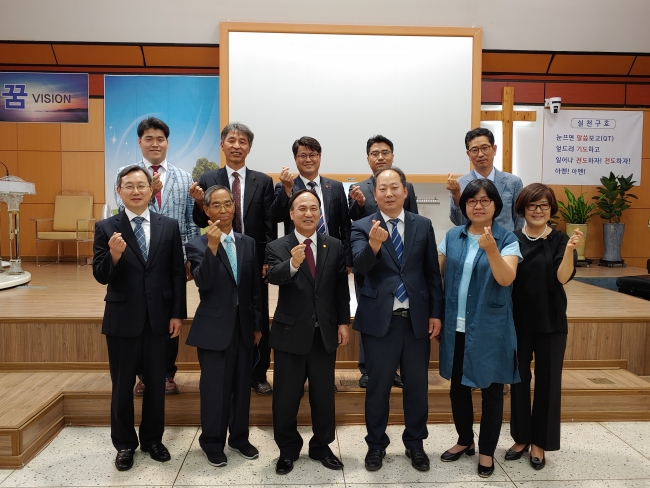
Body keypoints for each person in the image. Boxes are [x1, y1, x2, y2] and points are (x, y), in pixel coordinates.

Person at [93, 165, 186, 472]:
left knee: (156, 385)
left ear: (151, 189)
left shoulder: (168, 226)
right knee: (122, 387)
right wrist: (114, 255)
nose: (136, 191)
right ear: (119, 191)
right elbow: (100, 275)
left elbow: (176, 273)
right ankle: (124, 444)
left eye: (141, 185)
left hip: (159, 319)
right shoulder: (106, 227)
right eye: (129, 186)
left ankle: (152, 440)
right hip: (122, 319)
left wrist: (177, 314)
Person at [350, 167, 443, 473]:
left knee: (417, 387)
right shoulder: (361, 225)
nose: (389, 193)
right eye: (382, 188)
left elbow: (432, 273)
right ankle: (376, 445)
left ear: (405, 191)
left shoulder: (422, 224)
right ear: (374, 194)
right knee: (378, 388)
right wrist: (374, 245)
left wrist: (435, 313)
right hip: (380, 321)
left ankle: (415, 444)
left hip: (416, 320)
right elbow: (359, 266)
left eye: (394, 188)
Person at [438, 178, 521, 478]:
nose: (478, 206)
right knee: (458, 389)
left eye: (485, 200)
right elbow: (436, 274)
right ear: (464, 206)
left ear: (496, 205)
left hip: (489, 327)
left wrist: (492, 250)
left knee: (492, 391)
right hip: (456, 326)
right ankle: (465, 440)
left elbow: (506, 278)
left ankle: (486, 451)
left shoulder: (507, 238)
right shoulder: (452, 236)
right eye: (472, 201)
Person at [266, 189, 350, 475]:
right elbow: (273, 276)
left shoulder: (333, 245)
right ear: (291, 214)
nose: (308, 213)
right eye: (301, 208)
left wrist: (343, 322)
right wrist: (292, 264)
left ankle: (321, 446)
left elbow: (340, 288)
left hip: (323, 334)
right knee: (286, 398)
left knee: (323, 396)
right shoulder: (278, 245)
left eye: (314, 208)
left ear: (320, 213)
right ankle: (288, 450)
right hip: (290, 334)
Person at [114, 116, 199, 397]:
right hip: (136, 260)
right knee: (141, 316)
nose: (155, 144)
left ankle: (166, 374)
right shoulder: (126, 174)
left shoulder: (183, 176)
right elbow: (120, 215)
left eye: (160, 139)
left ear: (167, 143)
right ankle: (142, 376)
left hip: (172, 259)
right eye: (148, 139)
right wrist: (150, 193)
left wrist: (190, 257)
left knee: (169, 316)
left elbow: (189, 222)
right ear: (139, 142)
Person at [189, 122, 275, 396]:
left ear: (249, 147)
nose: (237, 146)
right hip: (218, 255)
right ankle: (224, 367)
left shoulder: (263, 181)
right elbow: (200, 219)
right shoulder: (208, 178)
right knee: (222, 309)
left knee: (257, 313)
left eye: (243, 141)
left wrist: (268, 259)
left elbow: (269, 224)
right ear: (223, 145)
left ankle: (258, 374)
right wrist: (198, 202)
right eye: (232, 141)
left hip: (252, 258)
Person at [185, 185, 264, 468]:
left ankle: (239, 439)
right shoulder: (196, 245)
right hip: (213, 330)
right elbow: (203, 282)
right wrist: (212, 246)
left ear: (234, 207)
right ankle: (212, 442)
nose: (223, 210)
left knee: (242, 388)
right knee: (215, 390)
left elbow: (254, 288)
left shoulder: (248, 242)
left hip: (244, 328)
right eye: (216, 205)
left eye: (227, 204)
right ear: (206, 210)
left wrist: (257, 325)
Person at [506, 183, 583, 471]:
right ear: (522, 209)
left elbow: (562, 278)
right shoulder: (512, 239)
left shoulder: (561, 239)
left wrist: (571, 251)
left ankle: (540, 442)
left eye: (544, 205)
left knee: (548, 382)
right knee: (518, 380)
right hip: (517, 321)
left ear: (551, 209)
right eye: (532, 205)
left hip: (551, 320)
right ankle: (521, 437)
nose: (538, 210)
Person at [348, 135, 418, 388]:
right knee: (370, 312)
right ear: (368, 158)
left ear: (392, 156)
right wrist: (358, 205)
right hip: (369, 261)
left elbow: (413, 221)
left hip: (399, 265)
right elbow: (351, 221)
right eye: (375, 153)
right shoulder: (358, 188)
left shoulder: (405, 185)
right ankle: (368, 368)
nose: (380, 157)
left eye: (385, 152)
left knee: (399, 318)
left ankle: (394, 368)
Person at [271, 136, 352, 271]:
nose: (308, 160)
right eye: (303, 155)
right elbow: (276, 216)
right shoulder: (285, 186)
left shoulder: (336, 187)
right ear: (295, 158)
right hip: (298, 254)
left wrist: (348, 260)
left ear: (319, 157)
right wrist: (287, 189)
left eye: (312, 155)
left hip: (332, 254)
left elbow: (345, 226)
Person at [446, 127, 524, 231]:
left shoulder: (513, 182)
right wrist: (456, 195)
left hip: (505, 240)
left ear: (494, 149)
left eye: (485, 148)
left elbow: (519, 219)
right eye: (474, 150)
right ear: (468, 154)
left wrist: (511, 239)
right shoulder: (459, 184)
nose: (480, 154)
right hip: (473, 239)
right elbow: (458, 221)